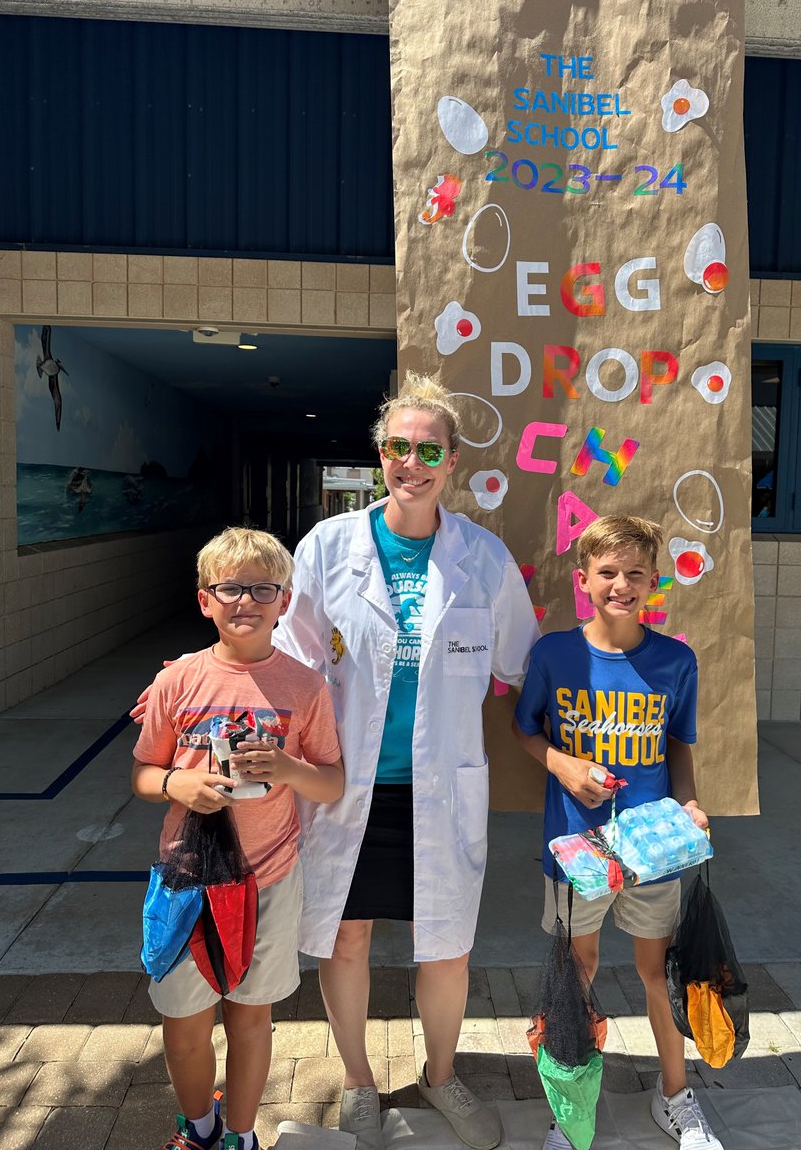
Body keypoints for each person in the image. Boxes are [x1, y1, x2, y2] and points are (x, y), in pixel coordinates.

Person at [273, 373, 540, 1150]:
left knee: (447, 945)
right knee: (347, 936)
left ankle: (441, 1073)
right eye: (399, 447)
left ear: (451, 461)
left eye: (429, 449)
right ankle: (359, 1083)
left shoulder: (483, 562)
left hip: (442, 789)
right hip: (346, 784)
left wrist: (569, 745)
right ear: (380, 454)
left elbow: (525, 669)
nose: (412, 462)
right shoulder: (328, 549)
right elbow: (290, 666)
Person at [512, 515, 723, 1150]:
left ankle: (676, 1096)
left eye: (635, 574)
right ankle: (571, 1112)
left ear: (654, 583)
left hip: (652, 848)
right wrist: (564, 764)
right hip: (575, 850)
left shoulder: (674, 660)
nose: (621, 584)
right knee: (575, 973)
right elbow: (526, 731)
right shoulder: (554, 653)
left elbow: (679, 747)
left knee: (657, 972)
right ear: (583, 581)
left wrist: (688, 803)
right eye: (608, 572)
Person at [132, 527, 344, 1150]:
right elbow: (143, 772)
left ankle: (241, 1135)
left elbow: (331, 783)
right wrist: (178, 783)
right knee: (184, 1018)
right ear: (205, 600)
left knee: (252, 1016)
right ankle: (199, 1126)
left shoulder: (305, 687)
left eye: (262, 588)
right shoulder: (179, 681)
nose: (245, 601)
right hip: (186, 879)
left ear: (285, 599)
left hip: (269, 879)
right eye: (229, 588)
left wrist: (287, 770)